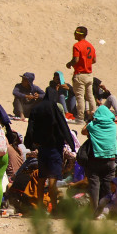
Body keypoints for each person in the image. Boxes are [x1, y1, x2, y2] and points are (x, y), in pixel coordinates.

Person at [23, 83, 75, 213]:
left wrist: (29, 143)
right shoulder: (54, 108)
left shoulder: (37, 108)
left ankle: (40, 208)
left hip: (42, 149)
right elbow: (63, 126)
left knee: (41, 179)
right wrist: (71, 143)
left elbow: (31, 128)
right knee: (52, 179)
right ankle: (54, 209)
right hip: (55, 149)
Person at [82, 104, 117, 217]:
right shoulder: (113, 126)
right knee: (107, 186)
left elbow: (83, 131)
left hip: (95, 160)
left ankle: (94, 213)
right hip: (110, 160)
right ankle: (106, 212)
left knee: (94, 186)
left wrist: (91, 120)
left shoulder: (93, 125)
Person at [67, 25, 96, 122]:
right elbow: (94, 60)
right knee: (90, 96)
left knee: (80, 97)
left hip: (80, 74)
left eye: (76, 32)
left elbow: (76, 59)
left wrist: (70, 64)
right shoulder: (90, 46)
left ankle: (80, 117)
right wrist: (86, 63)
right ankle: (94, 116)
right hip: (89, 74)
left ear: (80, 34)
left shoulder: (77, 45)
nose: (74, 34)